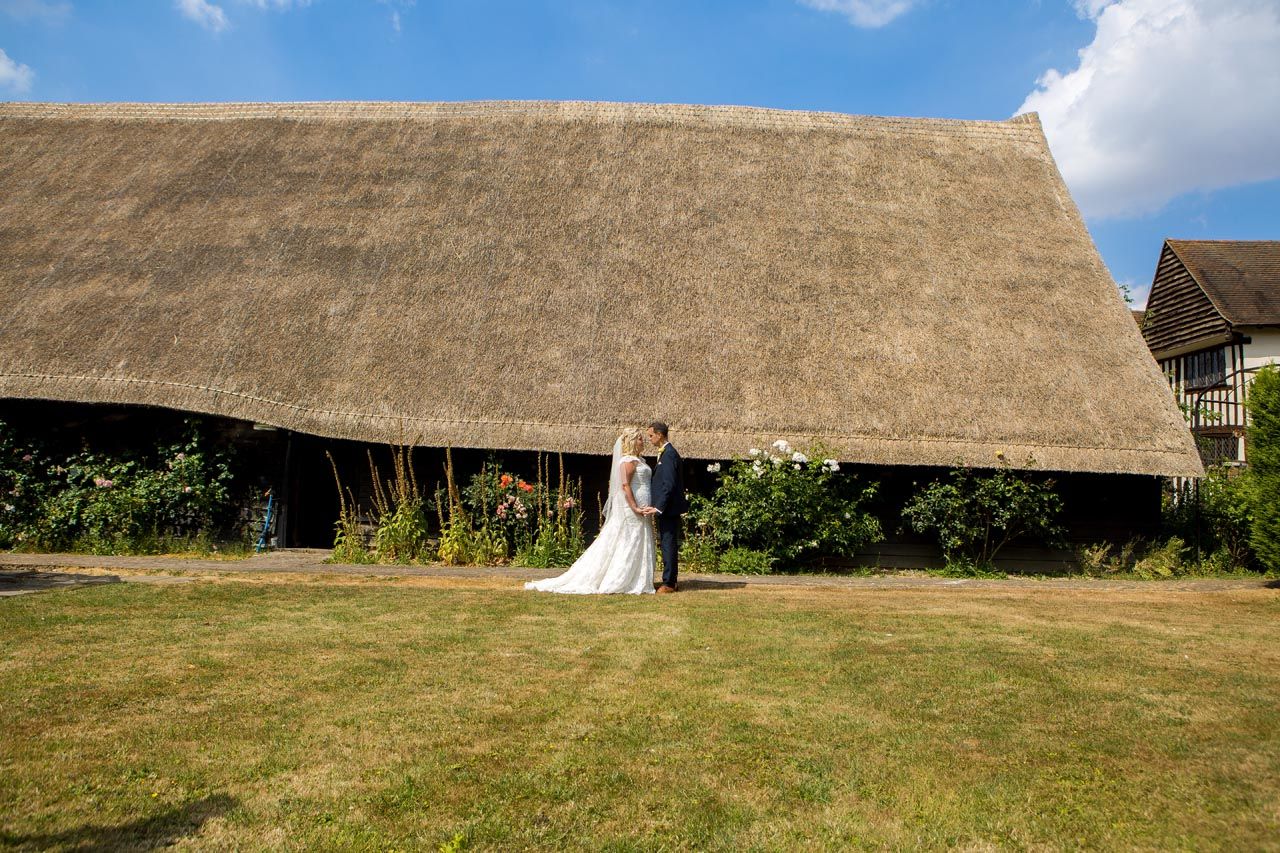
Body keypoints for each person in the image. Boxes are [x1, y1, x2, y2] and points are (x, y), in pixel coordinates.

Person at [524, 428, 657, 595]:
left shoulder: (640, 460)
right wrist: (635, 507)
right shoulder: (628, 461)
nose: (642, 441)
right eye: (639, 439)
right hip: (632, 508)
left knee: (638, 539)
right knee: (628, 539)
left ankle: (638, 578)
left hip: (643, 508)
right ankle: (619, 578)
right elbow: (625, 486)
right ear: (630, 441)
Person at [647, 421, 688, 593]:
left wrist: (659, 507)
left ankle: (669, 583)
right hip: (667, 508)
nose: (649, 439)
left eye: (651, 435)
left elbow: (669, 484)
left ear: (659, 434)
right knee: (666, 542)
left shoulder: (669, 454)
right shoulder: (665, 454)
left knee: (668, 543)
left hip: (669, 509)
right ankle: (670, 580)